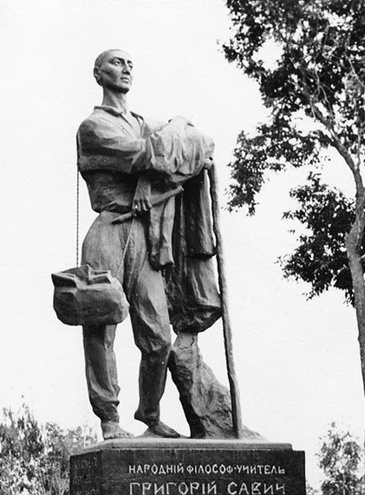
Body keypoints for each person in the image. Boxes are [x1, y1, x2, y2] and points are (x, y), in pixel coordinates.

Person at [77, 49, 218, 440]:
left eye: (130, 64)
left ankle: (150, 414)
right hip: (110, 230)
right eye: (116, 63)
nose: (125, 69)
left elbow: (195, 137)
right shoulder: (93, 126)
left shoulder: (144, 123)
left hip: (146, 236)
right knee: (102, 326)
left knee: (157, 338)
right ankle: (109, 417)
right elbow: (147, 154)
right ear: (98, 72)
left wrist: (153, 172)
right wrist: (164, 160)